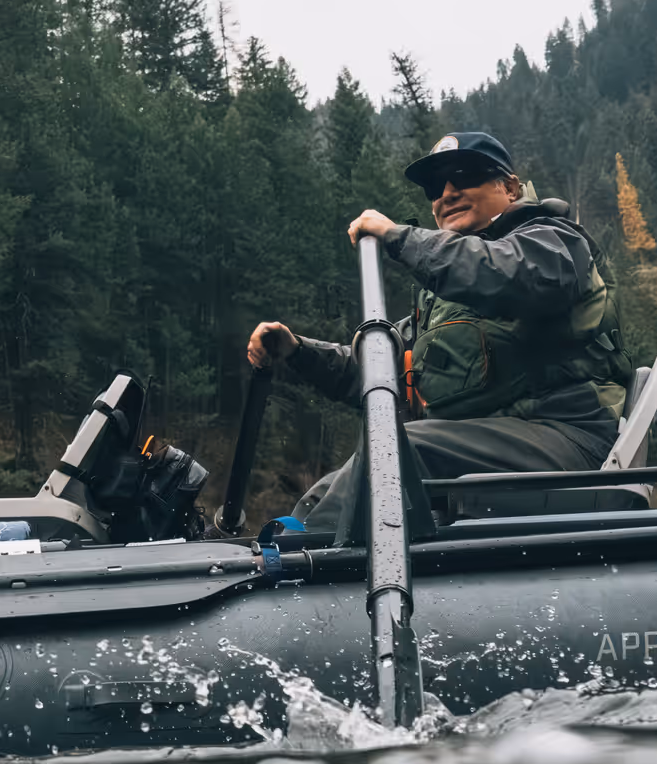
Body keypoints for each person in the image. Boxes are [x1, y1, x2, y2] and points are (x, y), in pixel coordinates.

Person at [248, 130, 630, 541]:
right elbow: (382, 370)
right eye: (435, 186)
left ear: (511, 186)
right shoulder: (443, 296)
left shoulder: (553, 241)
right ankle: (287, 555)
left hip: (566, 438)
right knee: (336, 485)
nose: (447, 193)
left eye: (464, 176)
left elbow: (504, 275)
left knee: (397, 449)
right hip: (479, 444)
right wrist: (299, 351)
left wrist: (399, 239)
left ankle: (309, 584)